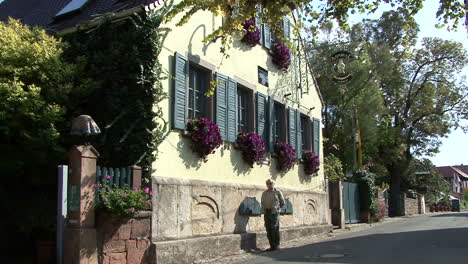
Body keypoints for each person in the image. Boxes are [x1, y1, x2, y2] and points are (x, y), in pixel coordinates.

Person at [261, 179, 285, 251]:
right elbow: (262, 202)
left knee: (274, 228)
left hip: (274, 212)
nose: (269, 185)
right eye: (268, 183)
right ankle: (272, 246)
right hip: (267, 212)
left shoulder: (277, 192)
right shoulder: (264, 193)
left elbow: (282, 202)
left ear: (273, 184)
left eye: (271, 183)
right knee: (268, 229)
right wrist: (263, 210)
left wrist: (278, 210)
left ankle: (276, 245)